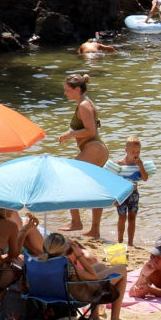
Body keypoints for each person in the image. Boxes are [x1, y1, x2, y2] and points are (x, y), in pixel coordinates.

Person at [57, 72, 109, 238]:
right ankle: (94, 229)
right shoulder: (85, 102)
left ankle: (76, 221)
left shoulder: (84, 105)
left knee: (67, 179)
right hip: (97, 149)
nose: (65, 93)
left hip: (93, 148)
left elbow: (90, 130)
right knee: (96, 189)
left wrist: (69, 134)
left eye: (67, 90)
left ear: (77, 89)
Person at [46, 233, 127, 320]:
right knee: (122, 269)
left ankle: (94, 317)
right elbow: (93, 277)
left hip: (57, 296)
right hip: (80, 295)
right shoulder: (67, 265)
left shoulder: (43, 261)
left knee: (101, 267)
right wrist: (79, 256)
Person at [113, 136, 148, 248]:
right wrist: (115, 197)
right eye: (133, 151)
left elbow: (145, 178)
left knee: (132, 218)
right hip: (122, 194)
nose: (136, 154)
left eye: (138, 152)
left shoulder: (138, 164)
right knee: (122, 217)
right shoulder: (120, 163)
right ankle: (120, 241)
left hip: (134, 194)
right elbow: (113, 180)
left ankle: (130, 242)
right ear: (126, 150)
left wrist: (141, 166)